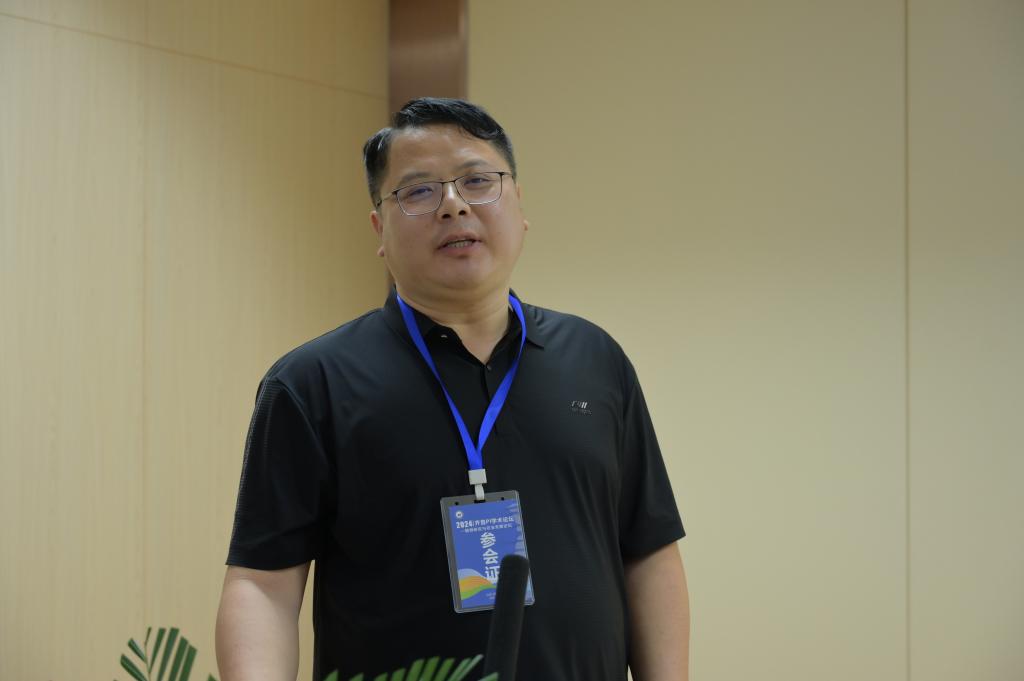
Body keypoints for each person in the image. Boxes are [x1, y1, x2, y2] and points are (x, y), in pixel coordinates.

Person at [215, 98, 690, 681]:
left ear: (519, 206)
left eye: (478, 181)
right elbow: (263, 585)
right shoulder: (312, 383)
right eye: (418, 191)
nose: (454, 204)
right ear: (379, 230)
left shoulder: (595, 359)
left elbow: (648, 551)